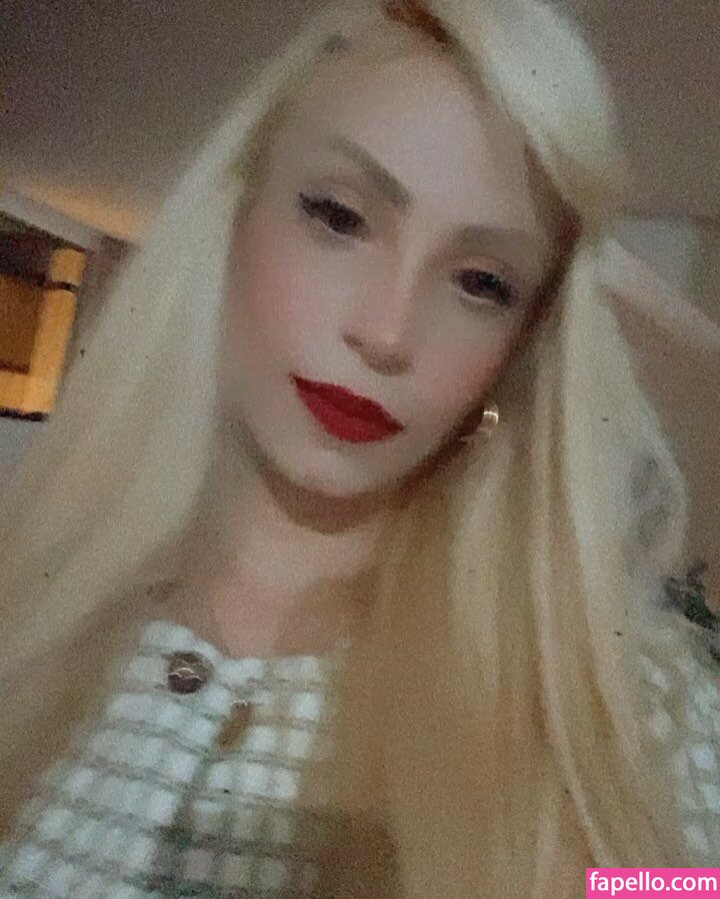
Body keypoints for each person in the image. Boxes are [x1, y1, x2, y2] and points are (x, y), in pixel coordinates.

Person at [0, 0, 718, 895]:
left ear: (521, 348)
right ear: (232, 216)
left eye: (481, 281)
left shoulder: (630, 720)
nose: (387, 331)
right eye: (339, 217)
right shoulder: (28, 596)